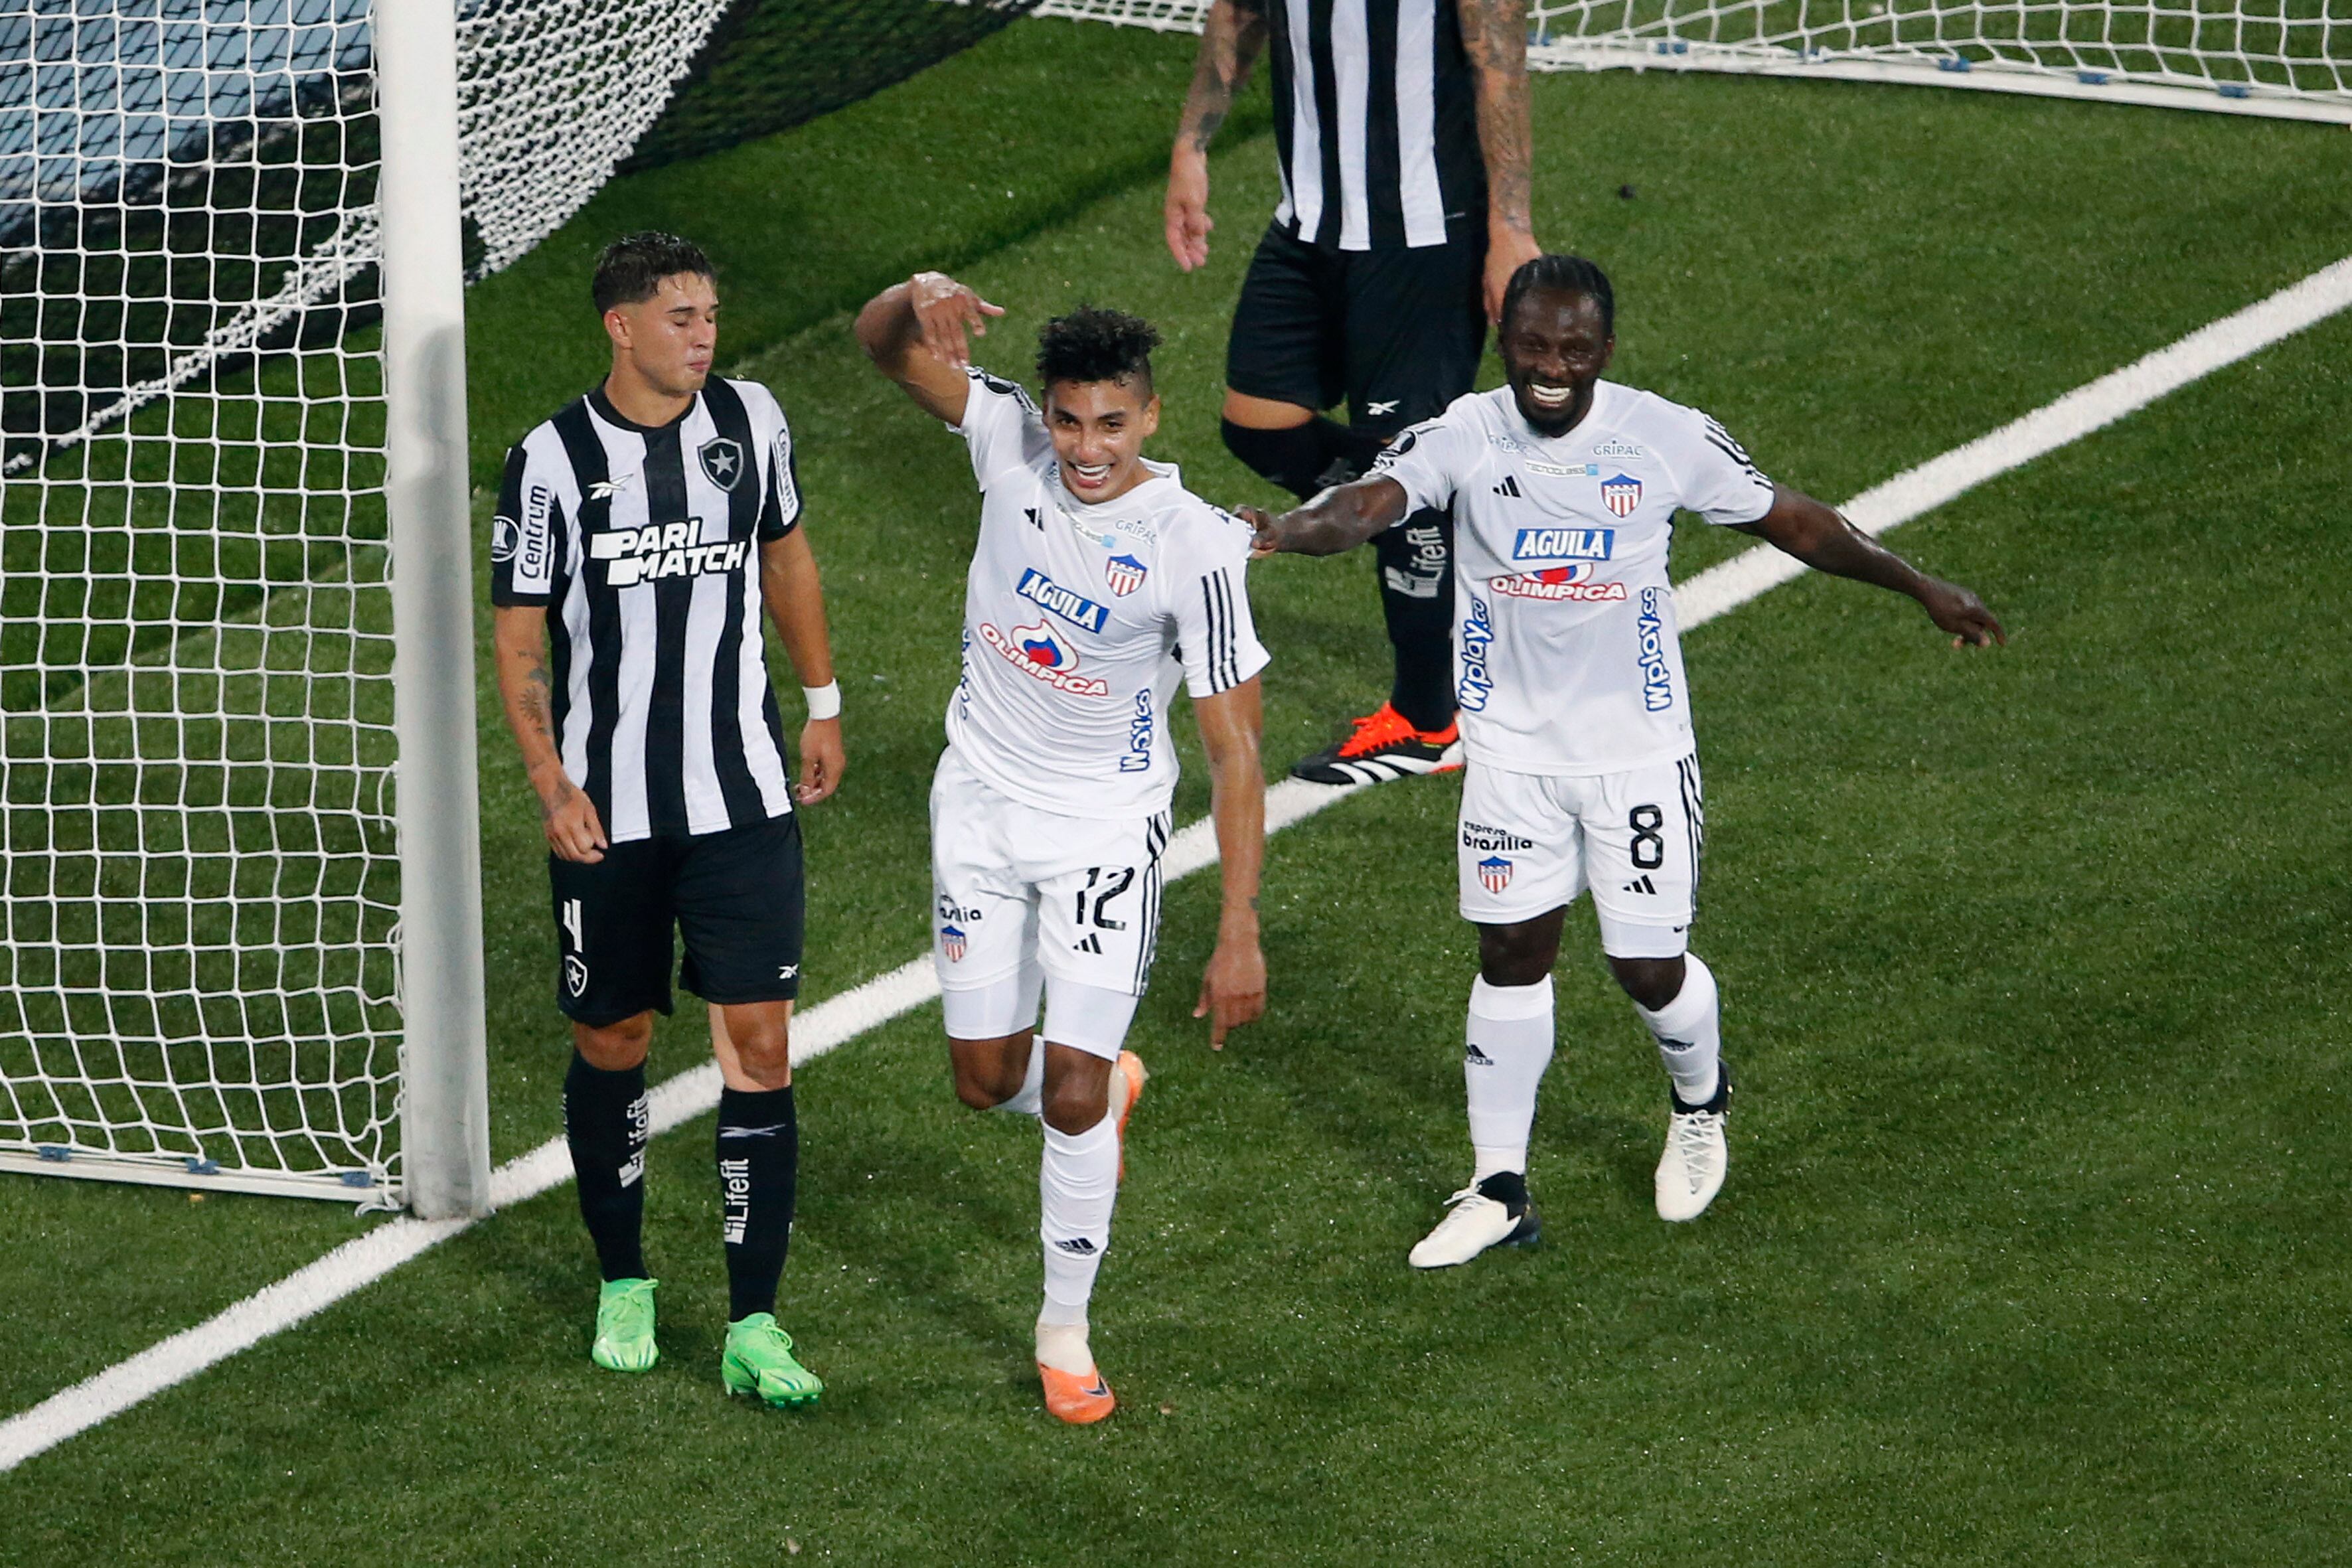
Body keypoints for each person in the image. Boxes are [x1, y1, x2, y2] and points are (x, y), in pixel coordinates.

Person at [1244, 254, 2004, 1267]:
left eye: (1570, 347)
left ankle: (1700, 1100)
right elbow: (1366, 505)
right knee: (1510, 954)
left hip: (1636, 756)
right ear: (1503, 342)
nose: (1547, 366)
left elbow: (1798, 522)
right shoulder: (1464, 432)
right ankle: (1498, 1183)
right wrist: (1280, 534)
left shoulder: (1661, 437)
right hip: (1510, 755)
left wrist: (1918, 584)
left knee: (1643, 966)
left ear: (1604, 350)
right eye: (1529, 344)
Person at [855, 270, 1270, 1422]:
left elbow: (1236, 752)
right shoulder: (1005, 447)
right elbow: (883, 346)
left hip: (1101, 833)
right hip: (978, 807)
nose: (1087, 447)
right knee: (986, 1083)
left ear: (1149, 418)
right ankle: (1096, 1089)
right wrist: (911, 295)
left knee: (1072, 1092)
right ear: (1043, 411)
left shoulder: (1194, 547)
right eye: (1069, 419)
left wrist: (1235, 927)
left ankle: (1063, 1328)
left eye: (1111, 423)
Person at [489, 232, 844, 1402]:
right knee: (616, 1042)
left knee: (760, 1048)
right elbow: (522, 636)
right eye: (681, 315)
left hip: (741, 798)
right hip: (611, 815)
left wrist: (822, 701)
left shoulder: (751, 422)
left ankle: (755, 1320)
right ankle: (623, 1277)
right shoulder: (549, 459)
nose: (704, 334)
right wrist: (551, 785)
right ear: (621, 326)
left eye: (710, 313)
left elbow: (785, 558)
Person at [1166, 0, 1542, 785]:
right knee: (1259, 424)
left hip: (1425, 235)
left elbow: (1498, 59)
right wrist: (1190, 146)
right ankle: (1459, 522)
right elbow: (1239, 12)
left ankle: (1428, 720)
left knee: (1398, 465)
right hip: (1308, 223)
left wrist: (1510, 228)